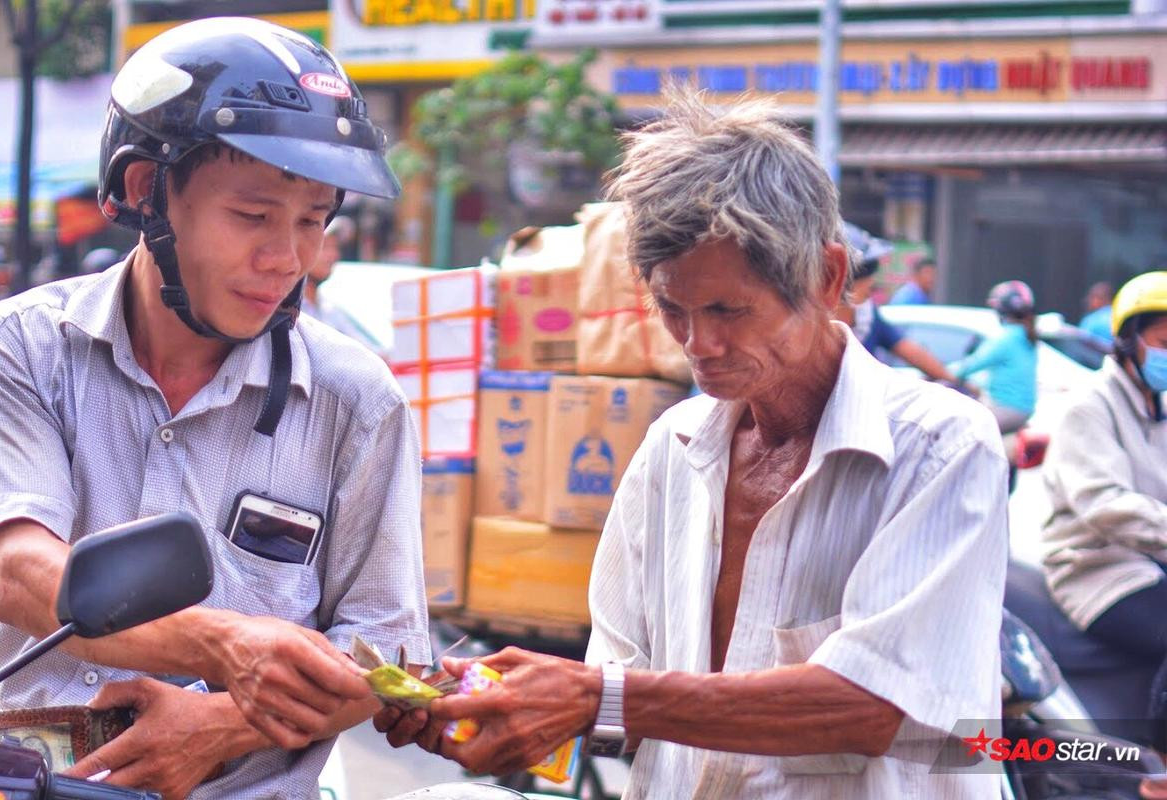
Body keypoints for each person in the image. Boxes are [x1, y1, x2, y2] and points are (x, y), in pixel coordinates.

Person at [378, 90, 1009, 798]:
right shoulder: (669, 451)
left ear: (828, 278)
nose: (697, 345)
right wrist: (497, 706)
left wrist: (596, 697)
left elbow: (876, 707)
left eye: (728, 311)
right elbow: (628, 694)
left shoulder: (940, 447)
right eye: (673, 309)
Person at [0, 18, 429, 800]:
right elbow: (22, 576)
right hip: (38, 784)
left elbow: (385, 652)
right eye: (253, 216)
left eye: (314, 220)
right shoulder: (23, 346)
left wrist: (226, 724)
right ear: (147, 191)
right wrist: (225, 645)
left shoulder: (358, 400)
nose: (287, 258)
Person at [1040, 271, 1167, 758]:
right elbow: (1105, 504)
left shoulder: (1156, 405)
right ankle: (1159, 769)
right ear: (1130, 341)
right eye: (1165, 341)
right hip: (1096, 569)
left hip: (1146, 561)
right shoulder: (1089, 407)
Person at [838, 223, 957, 383]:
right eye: (865, 270)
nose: (872, 282)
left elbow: (904, 347)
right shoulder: (807, 323)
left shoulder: (867, 315)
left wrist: (956, 382)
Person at [951, 280, 1039, 435]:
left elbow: (970, 365)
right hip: (1022, 409)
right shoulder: (1024, 335)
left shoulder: (1006, 338)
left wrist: (936, 371)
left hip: (1007, 408)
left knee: (960, 432)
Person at [301, 216, 384, 352]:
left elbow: (367, 352)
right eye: (325, 247)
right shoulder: (285, 311)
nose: (333, 255)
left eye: (335, 247)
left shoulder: (330, 310)